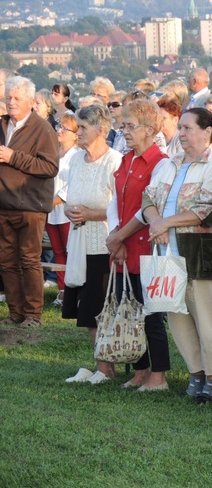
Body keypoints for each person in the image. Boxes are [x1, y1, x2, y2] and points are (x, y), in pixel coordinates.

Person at [142, 108, 212, 402]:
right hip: (168, 255)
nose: (182, 134)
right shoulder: (170, 163)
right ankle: (196, 374)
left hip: (201, 255)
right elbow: (148, 198)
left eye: (188, 128)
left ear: (207, 132)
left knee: (208, 322)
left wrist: (164, 223)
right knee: (178, 320)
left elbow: (206, 208)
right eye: (180, 128)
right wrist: (157, 223)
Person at [105, 99, 170, 392]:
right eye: (124, 125)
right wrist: (116, 236)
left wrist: (118, 236)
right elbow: (115, 201)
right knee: (128, 310)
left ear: (149, 129)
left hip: (144, 248)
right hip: (123, 247)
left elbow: (148, 209)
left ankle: (159, 375)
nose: (125, 131)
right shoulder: (126, 159)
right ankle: (140, 370)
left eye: (131, 126)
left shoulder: (161, 162)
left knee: (151, 314)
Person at [63, 104, 122, 383]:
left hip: (104, 243)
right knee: (86, 310)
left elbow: (120, 207)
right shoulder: (75, 159)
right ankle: (100, 365)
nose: (78, 132)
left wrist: (90, 214)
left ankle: (107, 367)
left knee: (101, 307)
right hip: (79, 242)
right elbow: (68, 196)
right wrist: (70, 211)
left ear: (101, 129)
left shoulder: (114, 161)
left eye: (83, 127)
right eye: (78, 126)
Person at [0, 76, 59, 328]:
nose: (11, 102)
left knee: (30, 260)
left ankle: (33, 315)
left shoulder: (42, 128)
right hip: (3, 205)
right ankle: (15, 313)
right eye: (8, 97)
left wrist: (15, 157)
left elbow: (49, 166)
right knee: (6, 261)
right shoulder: (2, 125)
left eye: (16, 98)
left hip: (30, 207)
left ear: (31, 102)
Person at [47, 113, 80, 307]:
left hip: (65, 210)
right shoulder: (55, 151)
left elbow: (71, 184)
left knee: (71, 252)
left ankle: (75, 291)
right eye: (60, 126)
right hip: (51, 212)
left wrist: (54, 200)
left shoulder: (76, 155)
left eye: (65, 128)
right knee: (58, 252)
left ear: (75, 134)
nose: (59, 130)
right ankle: (62, 290)